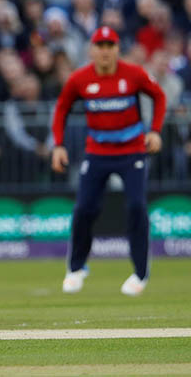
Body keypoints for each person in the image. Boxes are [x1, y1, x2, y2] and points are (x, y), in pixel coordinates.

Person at [51, 26, 166, 297]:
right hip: (98, 153)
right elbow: (62, 108)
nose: (104, 51)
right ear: (92, 50)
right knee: (84, 209)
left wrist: (155, 130)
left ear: (117, 49)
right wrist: (57, 145)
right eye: (99, 46)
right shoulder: (79, 79)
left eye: (109, 46)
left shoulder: (134, 74)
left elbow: (159, 96)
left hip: (132, 153)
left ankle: (140, 273)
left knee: (137, 206)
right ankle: (76, 268)